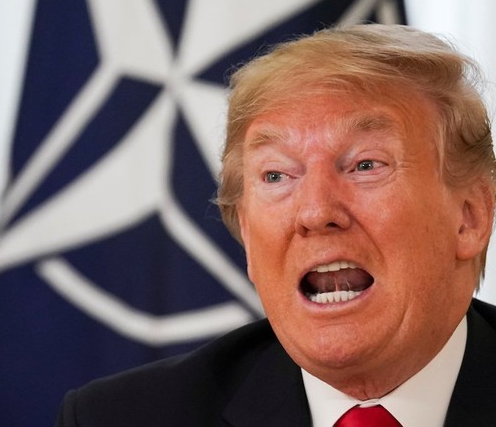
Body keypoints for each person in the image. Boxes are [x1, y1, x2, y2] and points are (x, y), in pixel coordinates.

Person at [54, 23, 496, 426]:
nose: (315, 212)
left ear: (470, 216)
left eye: (365, 164)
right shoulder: (118, 419)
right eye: (277, 176)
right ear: (246, 230)